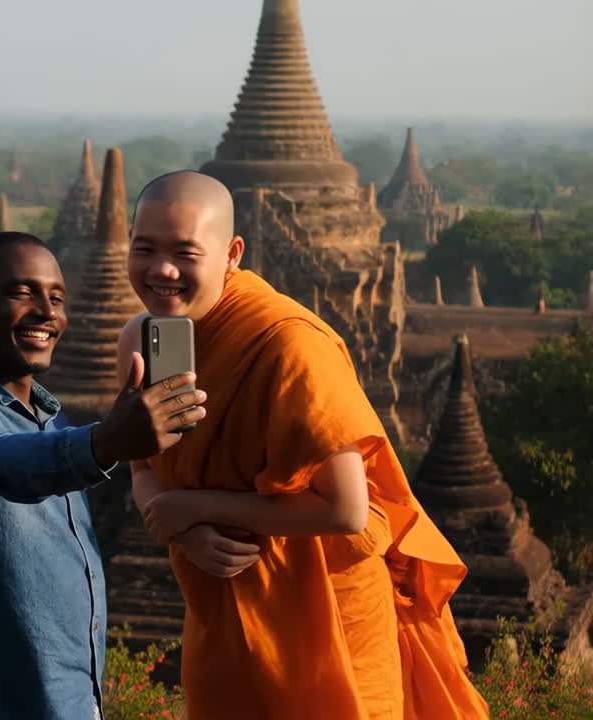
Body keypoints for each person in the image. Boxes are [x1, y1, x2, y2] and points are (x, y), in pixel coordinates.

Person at [118, 171, 489, 720]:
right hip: (222, 608)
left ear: (232, 253)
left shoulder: (289, 345)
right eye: (144, 248)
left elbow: (344, 509)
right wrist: (184, 529)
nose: (161, 270)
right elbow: (144, 467)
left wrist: (190, 508)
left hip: (328, 616)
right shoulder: (141, 339)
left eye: (185, 252)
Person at [0, 233, 206, 720]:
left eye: (57, 298)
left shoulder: (56, 425)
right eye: (23, 293)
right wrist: (106, 443)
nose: (47, 312)